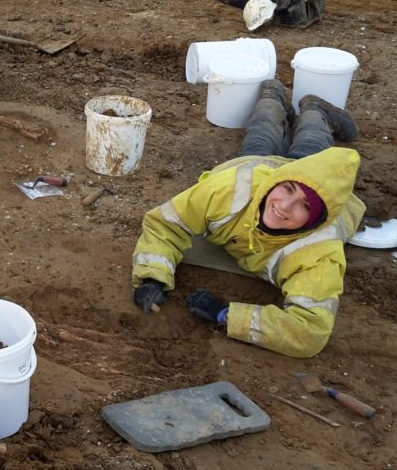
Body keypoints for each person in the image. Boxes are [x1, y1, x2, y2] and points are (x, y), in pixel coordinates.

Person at [130, 79, 366, 358]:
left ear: (316, 219)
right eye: (287, 190)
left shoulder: (319, 253)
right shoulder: (232, 189)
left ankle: (315, 109)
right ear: (275, 183)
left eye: (302, 205)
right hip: (259, 165)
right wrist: (152, 277)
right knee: (262, 132)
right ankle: (272, 94)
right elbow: (165, 224)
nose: (284, 206)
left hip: (307, 175)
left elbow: (308, 332)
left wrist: (225, 314)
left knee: (313, 146)